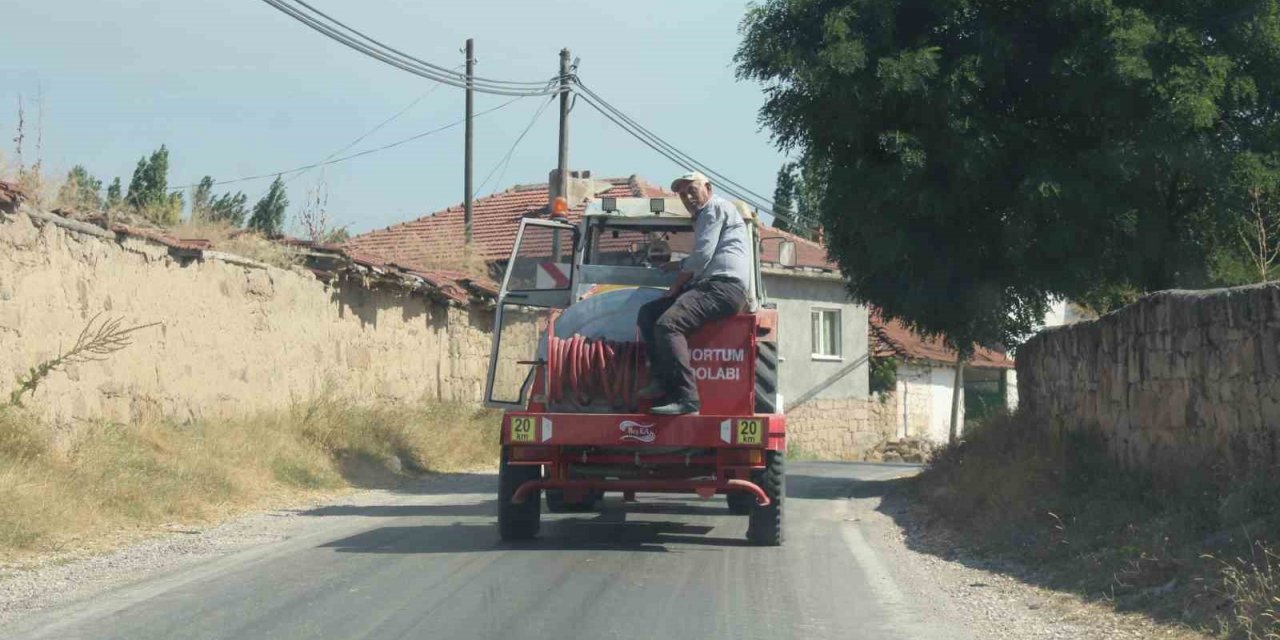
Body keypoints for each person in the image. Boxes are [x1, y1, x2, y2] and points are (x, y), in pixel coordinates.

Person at [636, 171, 752, 415]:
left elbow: (701, 257)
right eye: (682, 193)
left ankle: (687, 399)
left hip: (722, 287)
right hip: (712, 285)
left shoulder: (714, 209)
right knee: (648, 313)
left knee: (668, 325)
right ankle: (660, 381)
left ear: (708, 188)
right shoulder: (704, 216)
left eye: (692, 190)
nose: (687, 197)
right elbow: (701, 257)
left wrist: (675, 286)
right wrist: (676, 265)